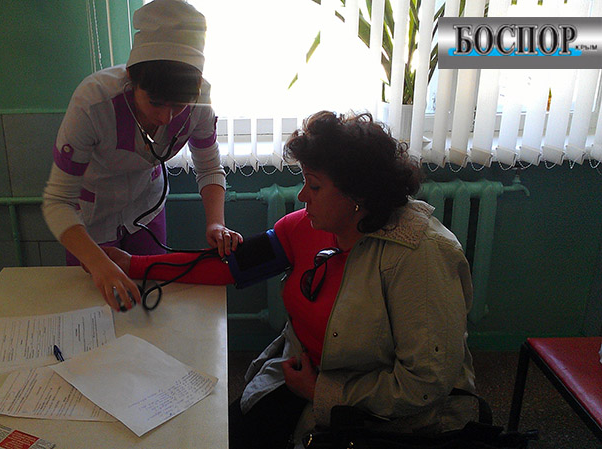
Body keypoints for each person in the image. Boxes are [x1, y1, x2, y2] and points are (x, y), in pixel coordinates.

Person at [103, 110, 478, 448]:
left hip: (385, 416)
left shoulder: (421, 257)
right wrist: (132, 264)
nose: (301, 196)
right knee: (217, 436)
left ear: (357, 195)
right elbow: (230, 265)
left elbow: (424, 385)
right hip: (303, 376)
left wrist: (322, 391)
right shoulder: (307, 227)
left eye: (314, 186)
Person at [42, 0, 243, 312]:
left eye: (179, 105)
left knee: (151, 300)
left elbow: (209, 168)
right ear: (132, 80)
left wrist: (216, 223)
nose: (166, 118)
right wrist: (99, 264)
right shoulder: (93, 103)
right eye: (156, 103)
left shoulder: (200, 103)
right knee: (96, 308)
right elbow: (57, 202)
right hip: (90, 218)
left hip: (146, 207)